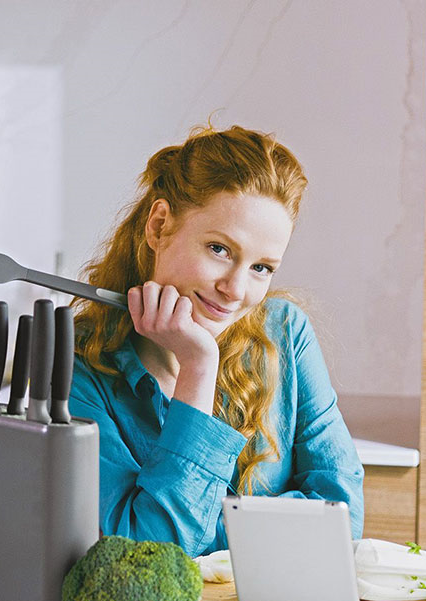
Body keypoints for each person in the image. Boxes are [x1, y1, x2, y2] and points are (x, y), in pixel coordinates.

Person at [69, 124, 364, 558]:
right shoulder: (78, 367)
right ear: (159, 225)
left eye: (261, 268)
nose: (236, 289)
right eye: (219, 250)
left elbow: (341, 516)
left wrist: (207, 533)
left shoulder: (285, 331)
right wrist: (199, 367)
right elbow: (152, 557)